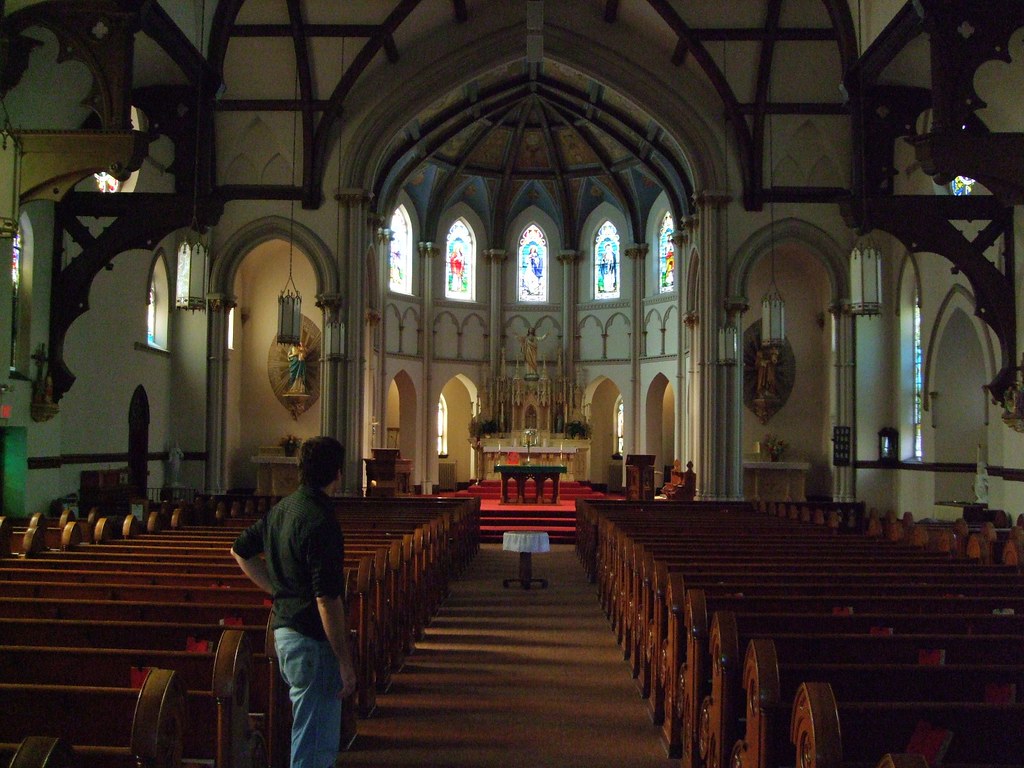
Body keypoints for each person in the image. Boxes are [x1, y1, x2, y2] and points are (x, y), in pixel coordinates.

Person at [231, 436, 356, 768]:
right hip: (312, 640)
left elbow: (239, 550)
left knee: (307, 734)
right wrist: (344, 660)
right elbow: (327, 600)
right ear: (338, 473)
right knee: (314, 746)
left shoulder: (283, 509)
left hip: (284, 632)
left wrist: (278, 590)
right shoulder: (322, 521)